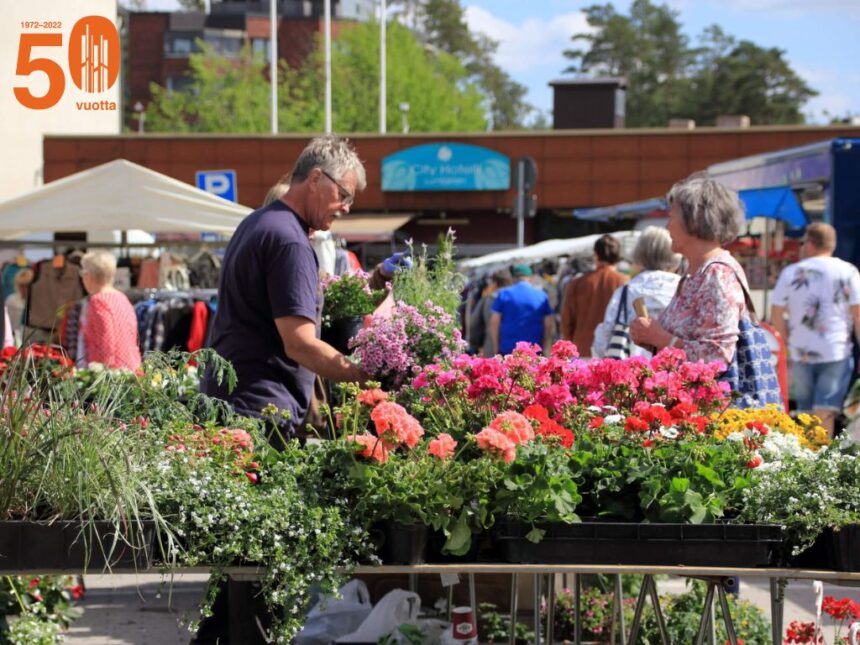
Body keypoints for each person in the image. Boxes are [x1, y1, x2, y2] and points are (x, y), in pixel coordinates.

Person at [201, 135, 367, 440]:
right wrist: (365, 377)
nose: (345, 207)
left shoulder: (259, 222)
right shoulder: (289, 240)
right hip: (259, 412)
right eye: (343, 194)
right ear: (316, 178)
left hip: (234, 402)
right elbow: (300, 343)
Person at [630, 173, 748, 366]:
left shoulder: (717, 275)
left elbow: (716, 355)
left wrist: (660, 337)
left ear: (694, 220)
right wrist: (650, 336)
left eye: (672, 217)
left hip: (707, 396)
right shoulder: (697, 272)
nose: (668, 227)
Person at [770, 222, 860, 436]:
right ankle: (821, 459)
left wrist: (788, 340)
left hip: (800, 351)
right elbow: (857, 314)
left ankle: (808, 459)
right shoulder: (848, 272)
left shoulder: (791, 273)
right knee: (826, 409)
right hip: (835, 350)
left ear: (810, 243)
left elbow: (776, 313)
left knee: (804, 410)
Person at [592, 227, 681, 358]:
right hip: (676, 373)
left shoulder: (625, 291)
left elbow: (603, 343)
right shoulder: (685, 289)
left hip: (633, 374)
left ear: (639, 253)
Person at [561, 234, 628, 357]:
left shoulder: (577, 283)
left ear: (596, 255)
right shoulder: (625, 283)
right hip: (614, 352)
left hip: (582, 349)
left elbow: (566, 322)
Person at [79, 251, 142, 370]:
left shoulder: (98, 301)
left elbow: (106, 342)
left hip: (113, 375)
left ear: (88, 276)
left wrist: (102, 378)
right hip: (132, 367)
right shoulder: (122, 298)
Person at [489, 264, 555, 355]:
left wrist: (496, 347)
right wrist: (545, 346)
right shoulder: (541, 295)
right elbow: (549, 324)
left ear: (513, 278)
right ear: (531, 278)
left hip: (509, 349)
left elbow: (494, 322)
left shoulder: (504, 294)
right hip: (533, 349)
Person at [468, 269, 513, 356]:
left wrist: (475, 345)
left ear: (495, 283)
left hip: (491, 348)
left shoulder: (488, 299)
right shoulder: (518, 299)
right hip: (515, 349)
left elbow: (475, 324)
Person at [5, 268, 33, 345]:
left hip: (30, 339)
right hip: (13, 338)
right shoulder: (11, 300)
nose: (24, 288)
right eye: (22, 285)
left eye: (27, 285)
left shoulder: (36, 303)